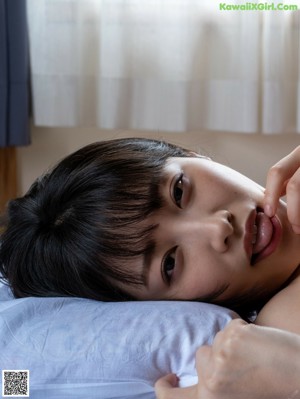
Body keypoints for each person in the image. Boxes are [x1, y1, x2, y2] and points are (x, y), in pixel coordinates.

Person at [0, 139, 300, 396]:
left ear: (190, 154)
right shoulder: (285, 322)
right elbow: (16, 384)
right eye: (170, 264)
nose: (218, 227)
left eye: (179, 191)